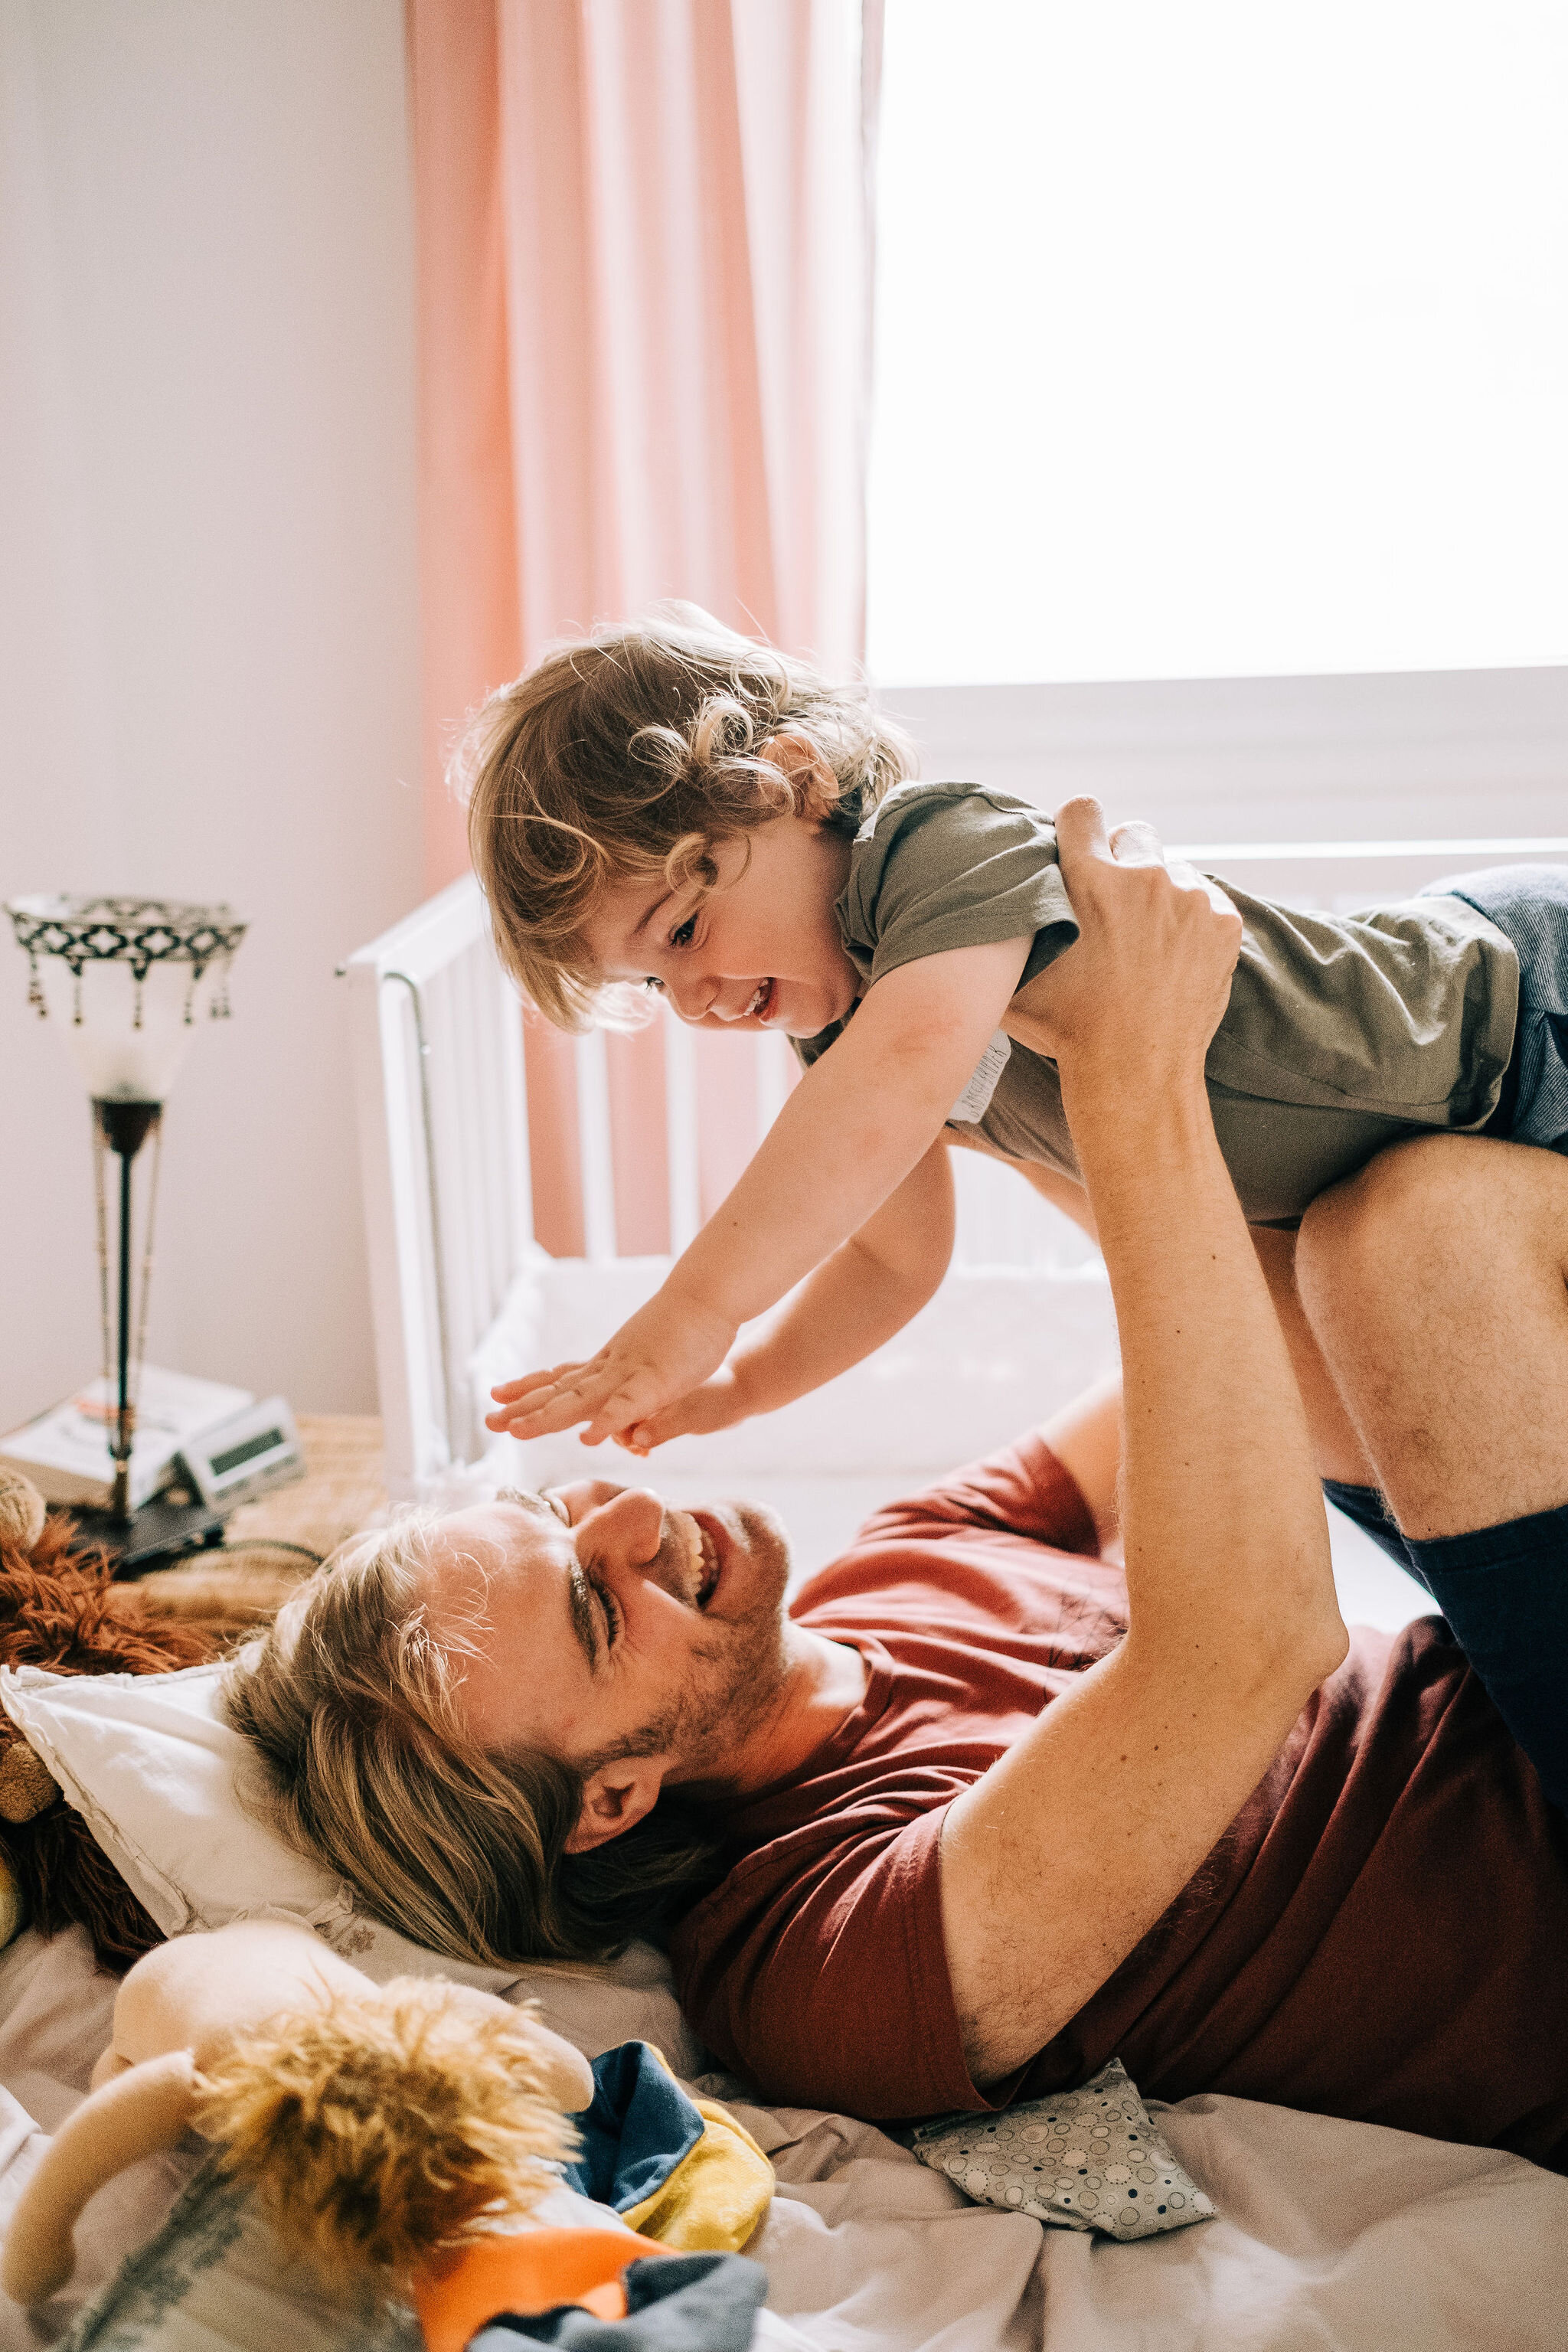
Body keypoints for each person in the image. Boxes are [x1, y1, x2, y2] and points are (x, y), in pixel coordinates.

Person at [226, 805, 1568, 2171]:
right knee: (1421, 1244)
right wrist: (1132, 1085)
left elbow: (1222, 1359)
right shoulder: (815, 1957)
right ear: (613, 1798)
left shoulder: (891, 1573)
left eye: (551, 1512)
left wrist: (1009, 1078)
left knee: (1384, 1235)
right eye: (589, 1605)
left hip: (1518, 1681)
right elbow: (1251, 1645)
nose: (622, 1514)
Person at [460, 604, 1567, 1459]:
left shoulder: (932, 851)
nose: (697, 1000)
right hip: (1437, 1153)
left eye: (688, 928)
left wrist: (691, 1312)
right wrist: (744, 1383)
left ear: (796, 784)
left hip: (1513, 1014)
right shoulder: (844, 1038)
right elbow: (894, 1259)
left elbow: (902, 1072)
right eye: (657, 986)